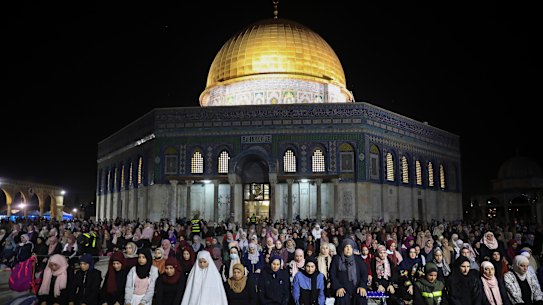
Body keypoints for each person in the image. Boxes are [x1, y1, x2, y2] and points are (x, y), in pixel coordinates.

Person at [329, 238, 368, 305]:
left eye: (350, 247)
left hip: (357, 287)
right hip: (342, 288)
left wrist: (362, 286)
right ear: (343, 248)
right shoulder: (336, 259)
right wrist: (338, 287)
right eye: (346, 246)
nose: (348, 249)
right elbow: (332, 274)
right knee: (342, 298)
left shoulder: (358, 259)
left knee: (361, 297)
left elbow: (364, 273)